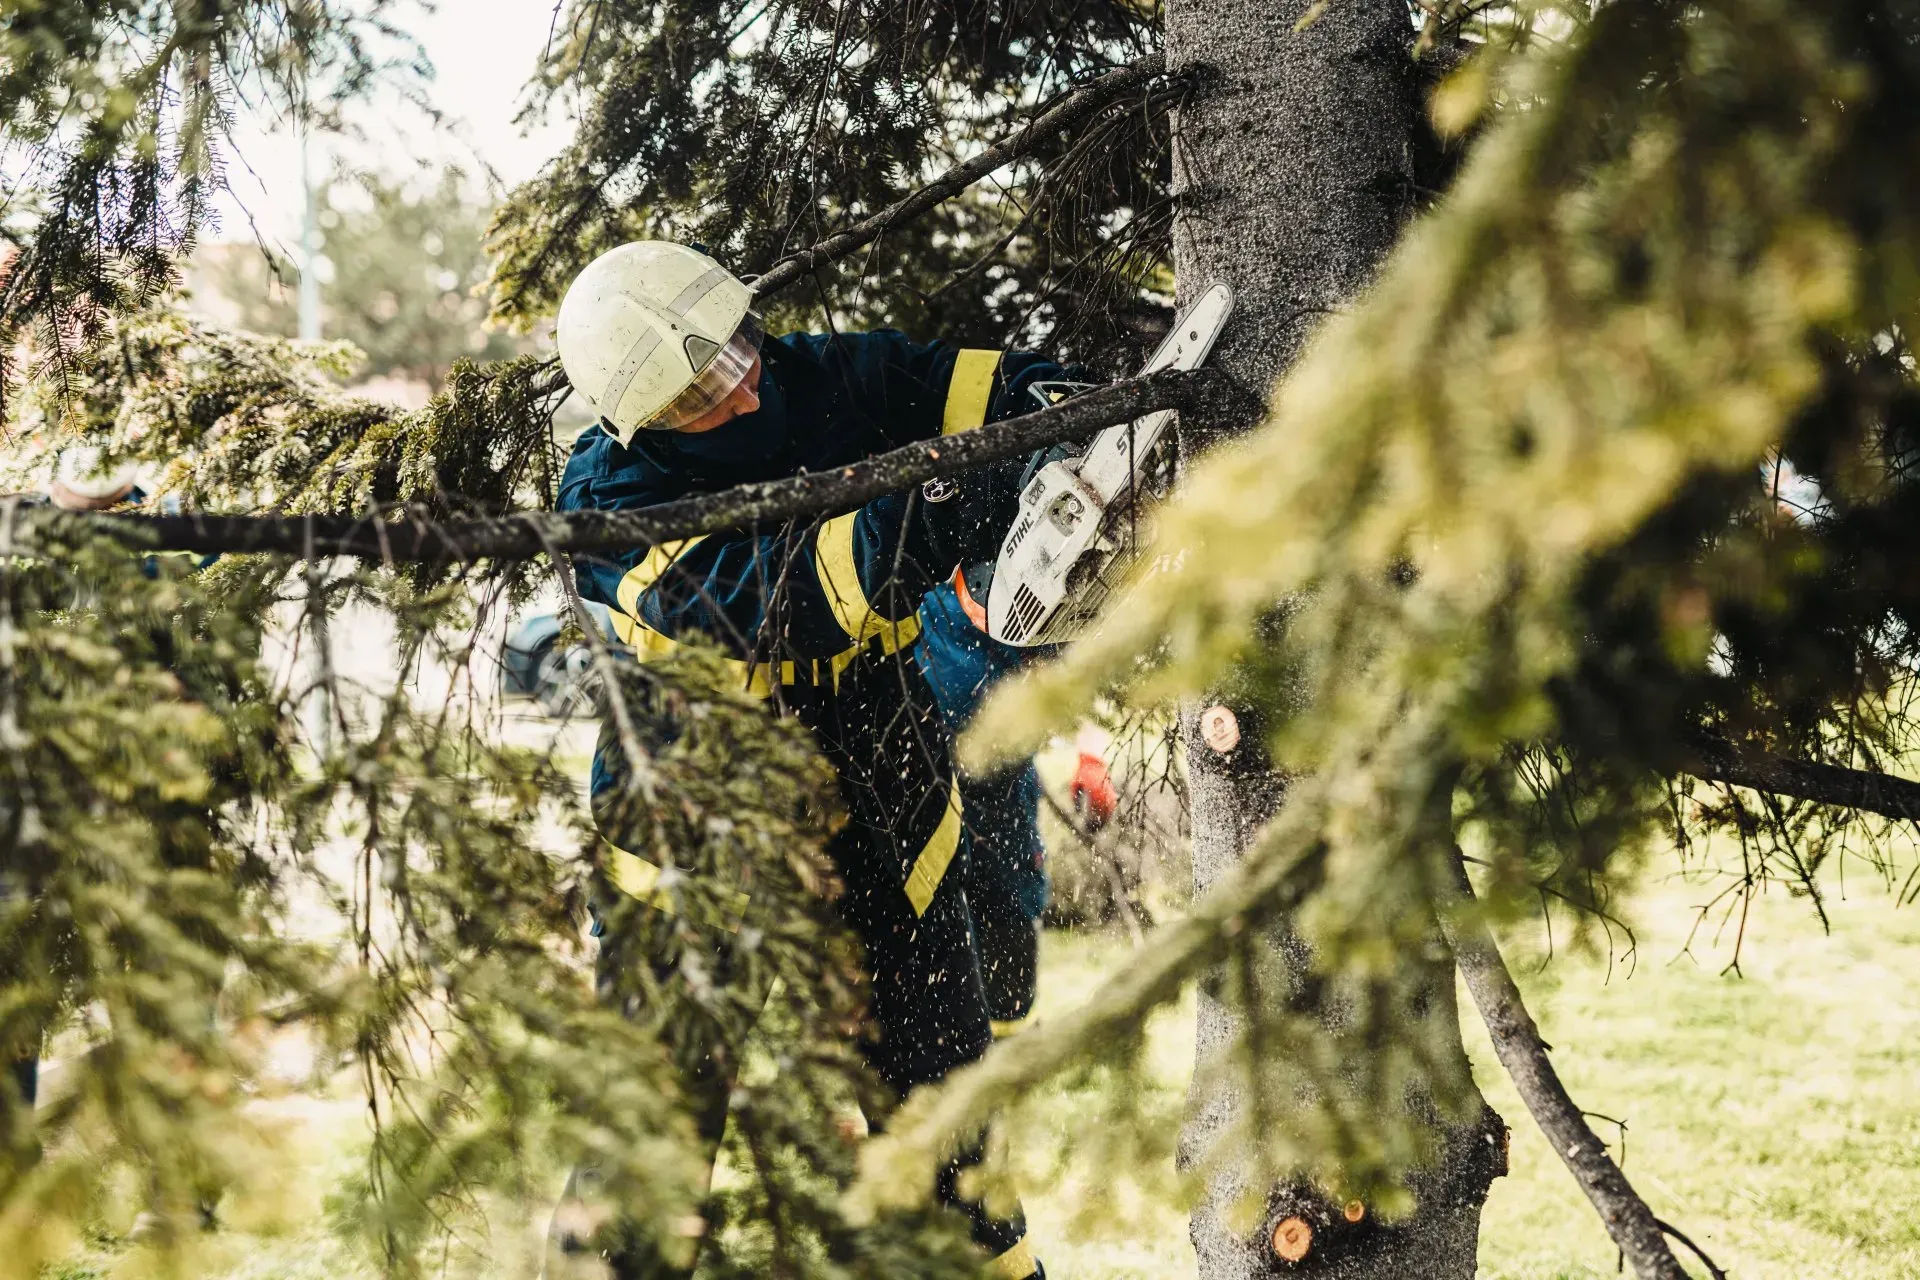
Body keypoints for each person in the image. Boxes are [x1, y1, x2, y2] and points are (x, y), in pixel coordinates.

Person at [551, 240, 1063, 1279]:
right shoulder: (603, 508)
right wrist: (939, 501)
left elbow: (988, 386)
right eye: (698, 391)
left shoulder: (833, 375)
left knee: (944, 1119)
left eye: (737, 348)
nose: (741, 392)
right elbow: (773, 602)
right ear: (635, 417)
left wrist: (1057, 422)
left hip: (887, 784)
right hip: (699, 835)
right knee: (646, 1144)